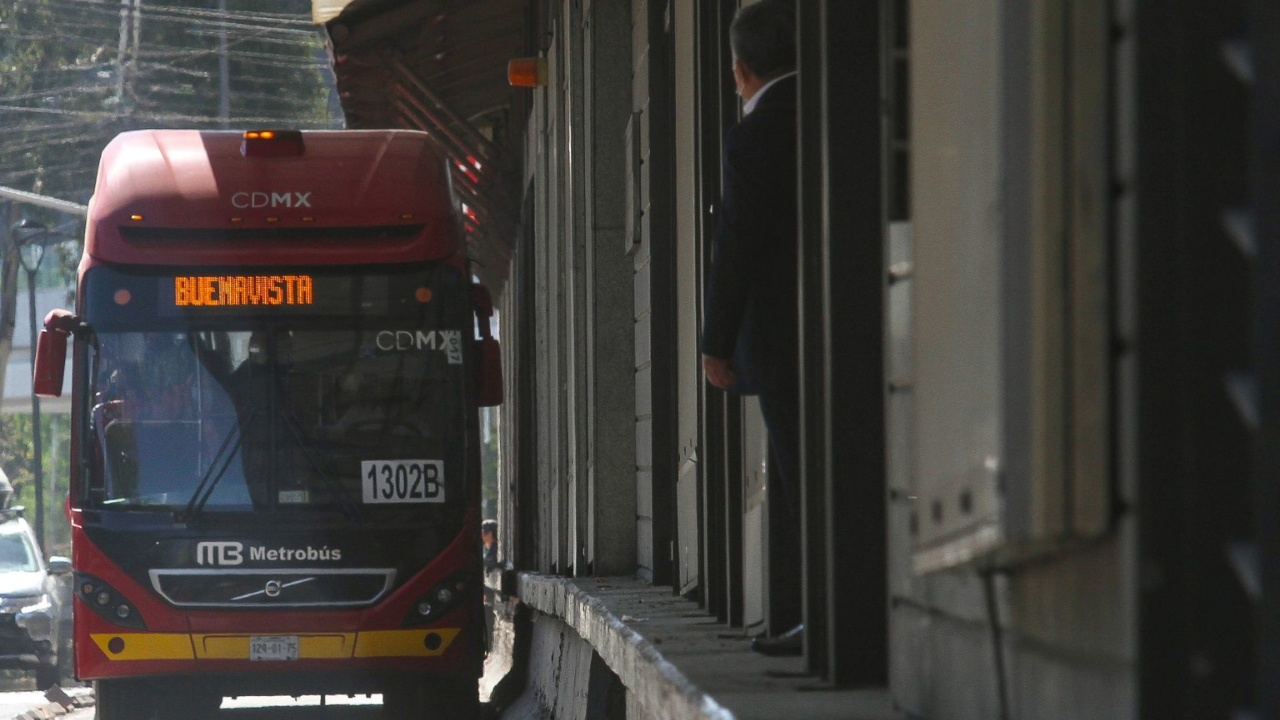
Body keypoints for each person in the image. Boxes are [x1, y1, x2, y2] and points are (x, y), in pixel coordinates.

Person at [701, 1, 802, 656]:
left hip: (782, 342)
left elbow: (735, 243)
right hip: (867, 324)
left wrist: (715, 341)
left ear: (740, 71)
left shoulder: (754, 136)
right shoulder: (842, 110)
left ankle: (825, 614)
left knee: (801, 471)